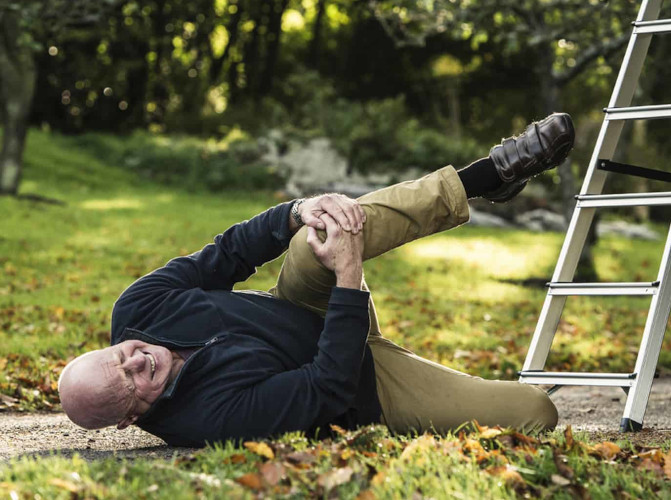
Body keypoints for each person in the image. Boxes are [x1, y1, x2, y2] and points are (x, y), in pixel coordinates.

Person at [58, 113, 575, 447]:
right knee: (536, 412)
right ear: (128, 420)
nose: (134, 359)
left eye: (117, 355)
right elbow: (326, 386)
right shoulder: (205, 421)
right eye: (126, 380)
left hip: (304, 303)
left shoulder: (138, 310)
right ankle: (474, 387)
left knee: (318, 232)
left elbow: (229, 252)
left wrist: (298, 210)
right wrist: (350, 273)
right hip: (365, 382)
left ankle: (487, 177)